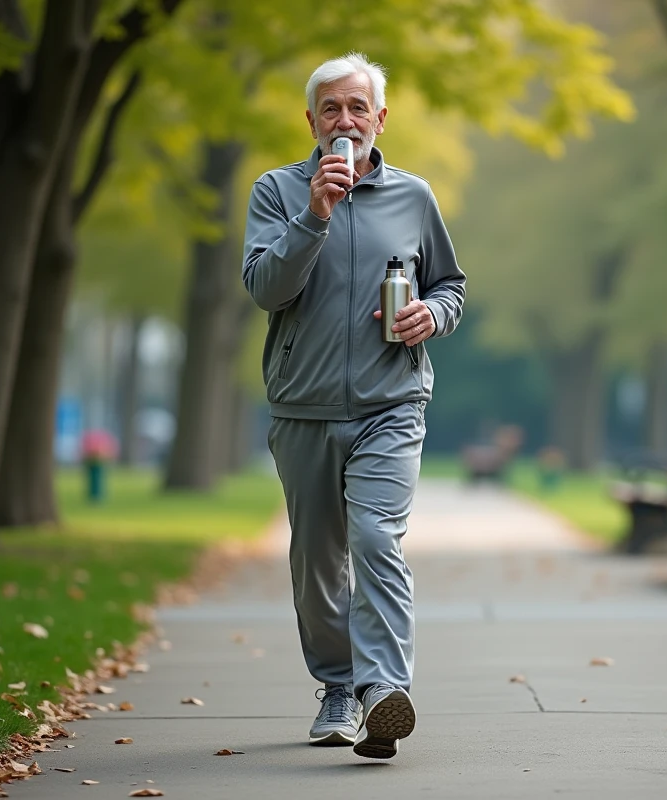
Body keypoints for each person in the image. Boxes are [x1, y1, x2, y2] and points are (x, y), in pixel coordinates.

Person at [240, 51, 466, 760]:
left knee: (376, 540)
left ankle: (383, 693)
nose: (345, 120)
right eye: (331, 108)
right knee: (317, 561)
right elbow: (266, 289)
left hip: (390, 404)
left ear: (380, 118)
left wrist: (433, 313)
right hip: (303, 407)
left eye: (357, 107)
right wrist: (315, 212)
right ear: (311, 120)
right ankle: (337, 688)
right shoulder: (277, 191)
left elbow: (451, 285)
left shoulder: (415, 197)